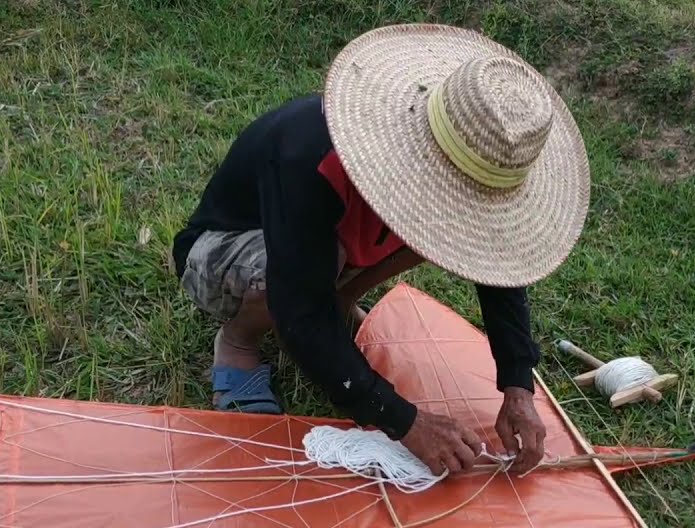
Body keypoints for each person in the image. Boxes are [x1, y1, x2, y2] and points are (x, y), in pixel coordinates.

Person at [170, 24, 591, 476]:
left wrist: (517, 384)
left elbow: (498, 270)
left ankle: (341, 297)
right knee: (312, 279)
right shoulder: (309, 155)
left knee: (443, 240)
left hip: (324, 254)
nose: (462, 207)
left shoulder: (456, 171)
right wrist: (405, 422)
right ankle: (238, 340)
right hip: (224, 250)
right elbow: (300, 314)